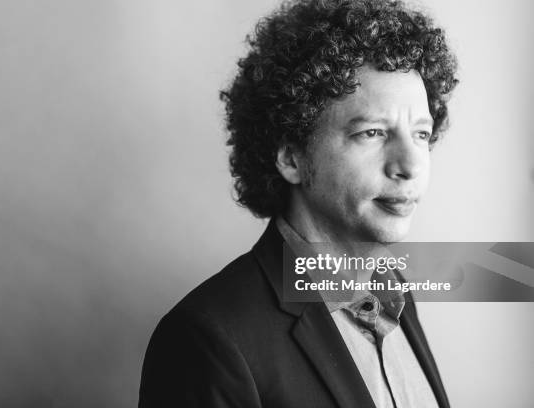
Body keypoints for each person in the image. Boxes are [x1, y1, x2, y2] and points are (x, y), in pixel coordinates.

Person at [139, 0, 458, 407]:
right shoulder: (207, 338)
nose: (410, 166)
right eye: (373, 133)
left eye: (421, 134)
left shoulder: (396, 294)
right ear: (291, 157)